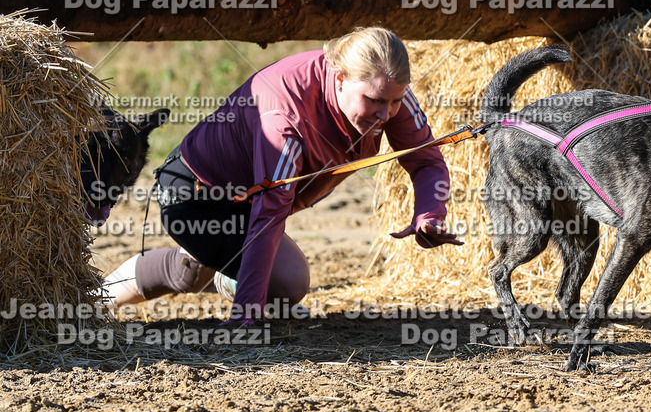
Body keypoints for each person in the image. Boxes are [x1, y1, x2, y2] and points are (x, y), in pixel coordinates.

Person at [102, 27, 461, 323]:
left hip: (248, 196)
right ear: (339, 79)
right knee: (289, 282)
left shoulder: (385, 90)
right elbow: (268, 214)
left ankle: (96, 296)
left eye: (395, 101)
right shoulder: (285, 116)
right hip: (195, 195)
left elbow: (426, 160)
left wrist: (429, 214)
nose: (386, 114)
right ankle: (100, 298)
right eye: (375, 101)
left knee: (190, 273)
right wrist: (247, 313)